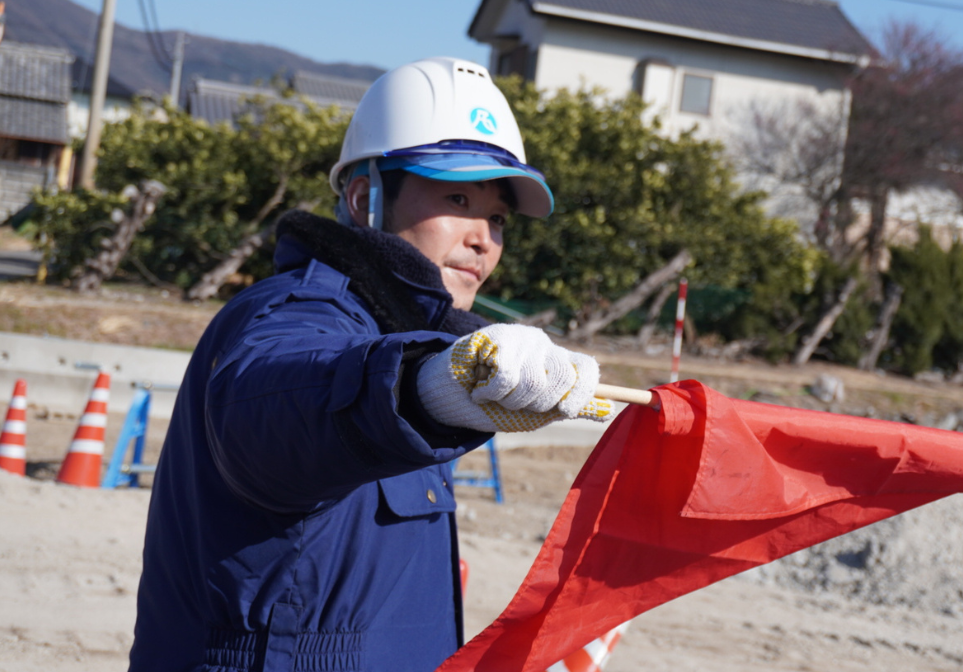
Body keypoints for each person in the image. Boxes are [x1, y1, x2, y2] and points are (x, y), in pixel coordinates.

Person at [129, 57, 615, 672]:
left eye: (496, 216)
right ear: (365, 198)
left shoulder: (413, 335)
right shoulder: (294, 310)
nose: (483, 238)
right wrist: (423, 389)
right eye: (458, 197)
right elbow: (274, 410)